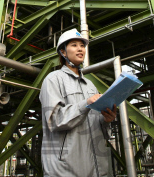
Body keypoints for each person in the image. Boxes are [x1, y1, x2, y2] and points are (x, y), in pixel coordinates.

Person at [39, 29, 117, 176]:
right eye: (74, 45)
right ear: (63, 52)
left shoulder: (90, 85)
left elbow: (96, 124)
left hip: (97, 169)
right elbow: (56, 120)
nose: (80, 48)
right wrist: (85, 103)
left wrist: (107, 119)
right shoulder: (53, 79)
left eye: (82, 45)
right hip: (66, 169)